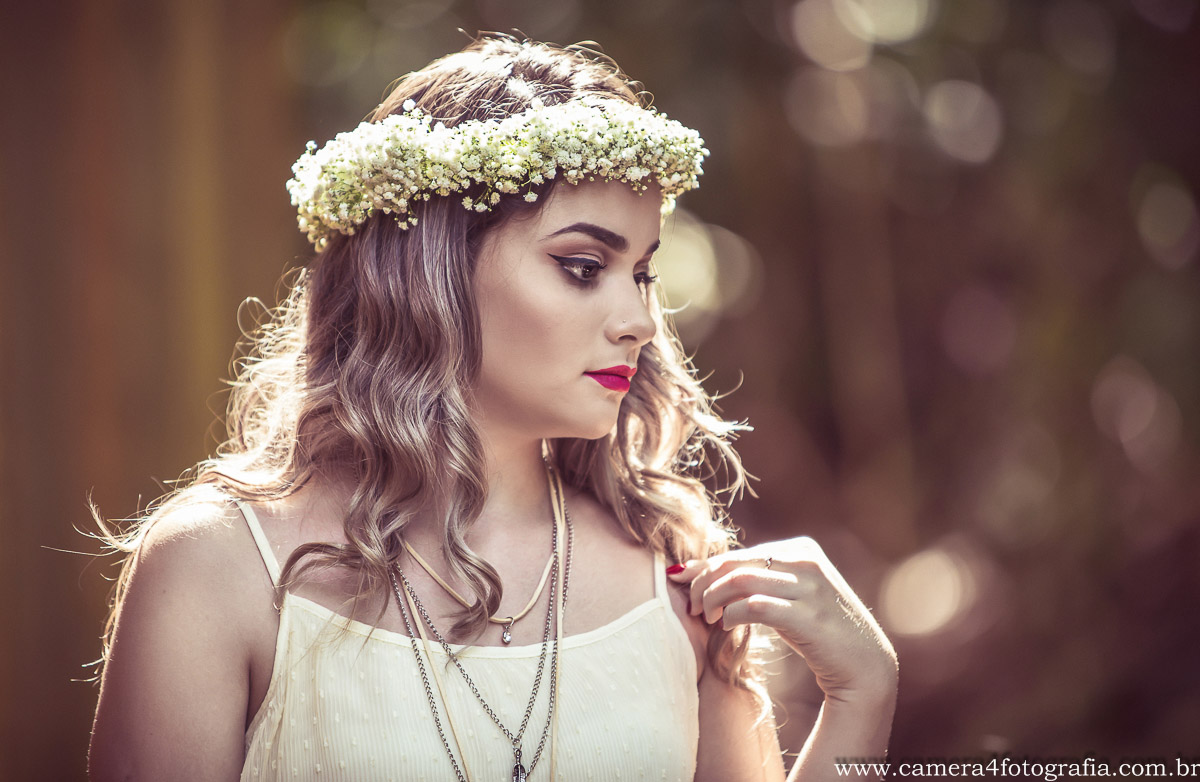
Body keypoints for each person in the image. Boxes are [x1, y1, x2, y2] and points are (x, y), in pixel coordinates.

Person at [88, 34, 897, 782]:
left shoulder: (675, 579)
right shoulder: (218, 570)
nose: (641, 322)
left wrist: (862, 694)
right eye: (583, 267)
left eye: (643, 273)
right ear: (428, 271)